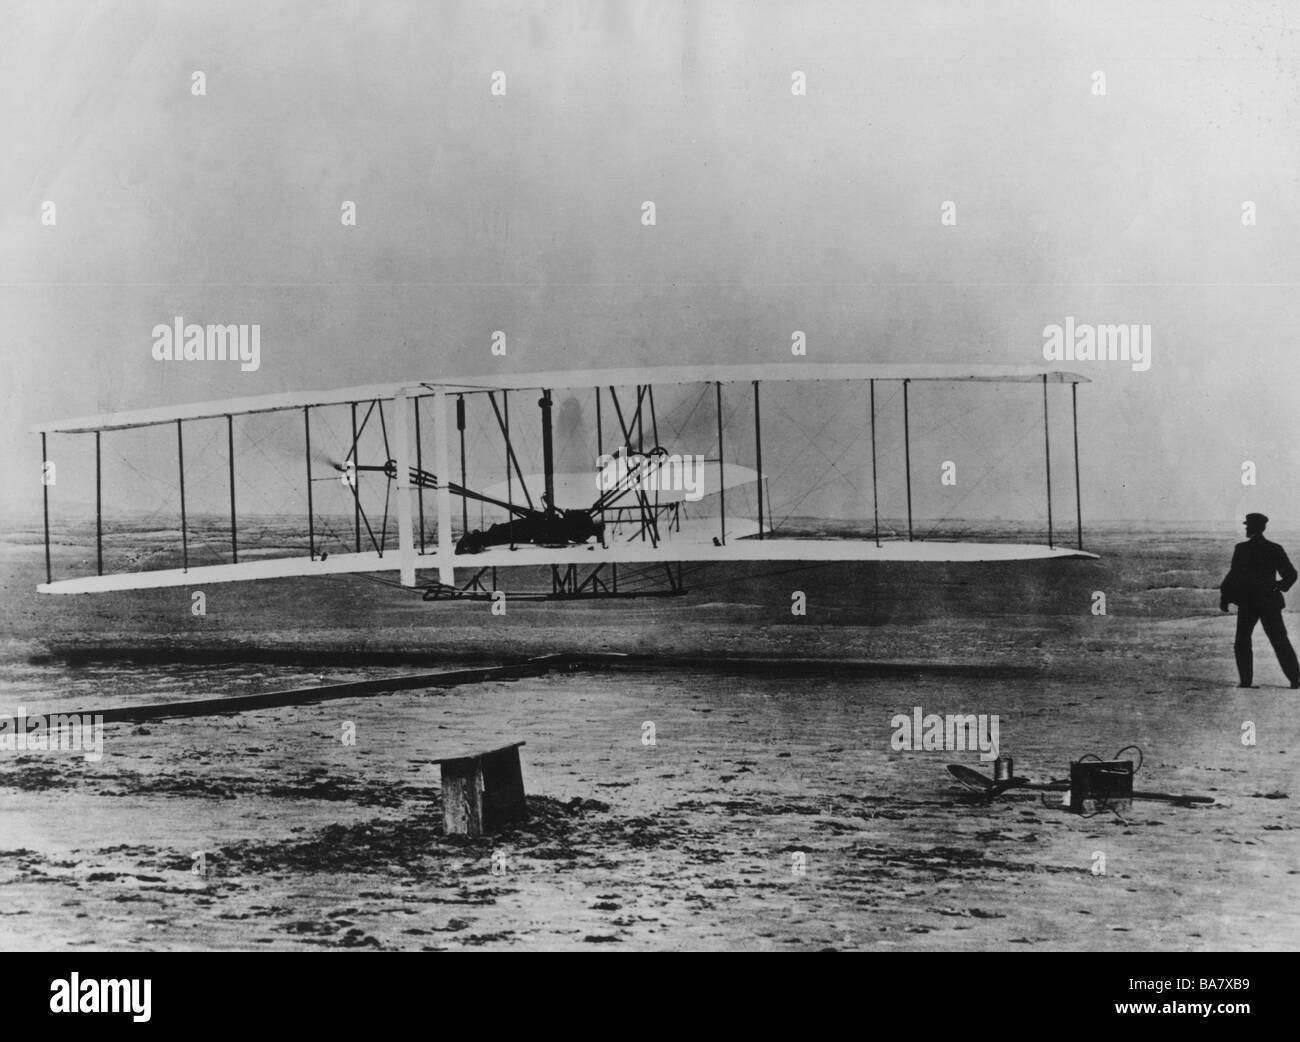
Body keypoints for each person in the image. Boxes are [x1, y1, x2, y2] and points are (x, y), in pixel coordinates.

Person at [1220, 513, 1300, 688]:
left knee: (1242, 641)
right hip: (1269, 601)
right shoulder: (1274, 548)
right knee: (1279, 640)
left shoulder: (1241, 548)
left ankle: (1246, 682)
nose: (1246, 529)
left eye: (1248, 526)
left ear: (1254, 528)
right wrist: (1277, 587)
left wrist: (1225, 597)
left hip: (1248, 602)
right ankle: (1296, 679)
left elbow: (1233, 576)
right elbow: (1291, 574)